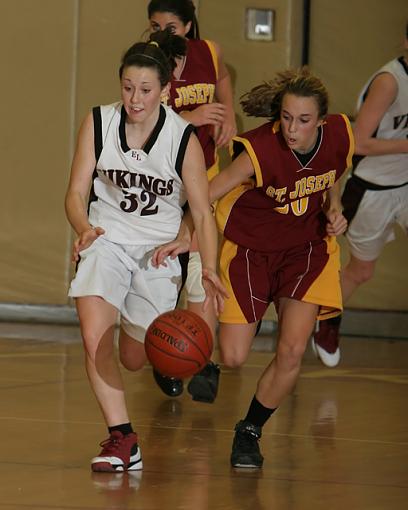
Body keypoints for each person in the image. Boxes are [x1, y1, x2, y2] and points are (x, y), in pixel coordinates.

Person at [156, 66, 354, 467]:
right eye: (285, 118)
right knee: (232, 357)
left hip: (306, 250)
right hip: (252, 250)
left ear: (322, 119)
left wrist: (335, 207)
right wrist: (184, 233)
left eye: (303, 120)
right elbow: (206, 192)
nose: (292, 129)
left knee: (293, 350)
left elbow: (333, 172)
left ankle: (249, 430)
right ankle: (202, 343)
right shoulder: (260, 149)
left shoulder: (339, 134)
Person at [65, 30, 227, 472]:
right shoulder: (98, 122)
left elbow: (202, 209)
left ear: (166, 90)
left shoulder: (182, 139)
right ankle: (123, 439)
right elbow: (76, 193)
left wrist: (207, 265)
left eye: (146, 90)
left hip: (157, 251)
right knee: (92, 335)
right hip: (107, 239)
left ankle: (147, 350)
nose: (135, 98)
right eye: (128, 87)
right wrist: (83, 227)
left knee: (134, 359)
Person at [147, 0, 237, 403]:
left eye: (170, 24)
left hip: (205, 178)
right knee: (167, 269)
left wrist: (228, 115)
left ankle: (202, 357)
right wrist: (192, 118)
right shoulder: (149, 61)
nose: (162, 31)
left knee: (204, 263)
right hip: (164, 185)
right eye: (154, 24)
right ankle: (165, 353)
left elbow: (223, 78)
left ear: (188, 24)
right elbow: (143, 121)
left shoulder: (208, 51)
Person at [313, 22, 408, 367]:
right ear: (406, 41)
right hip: (372, 189)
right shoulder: (389, 82)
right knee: (362, 271)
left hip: (406, 184)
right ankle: (327, 318)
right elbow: (360, 142)